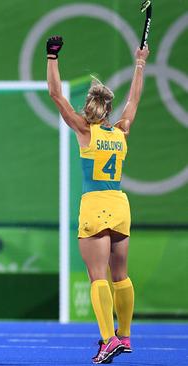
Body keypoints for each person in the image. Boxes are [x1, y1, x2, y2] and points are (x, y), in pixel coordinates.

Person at [46, 36, 149, 364]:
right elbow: (133, 99)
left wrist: (52, 57)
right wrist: (140, 62)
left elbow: (55, 95)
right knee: (122, 275)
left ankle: (108, 340)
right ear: (108, 110)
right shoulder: (121, 131)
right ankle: (126, 336)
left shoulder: (84, 131)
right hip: (120, 204)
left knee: (97, 277)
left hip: (95, 204)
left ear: (90, 107)